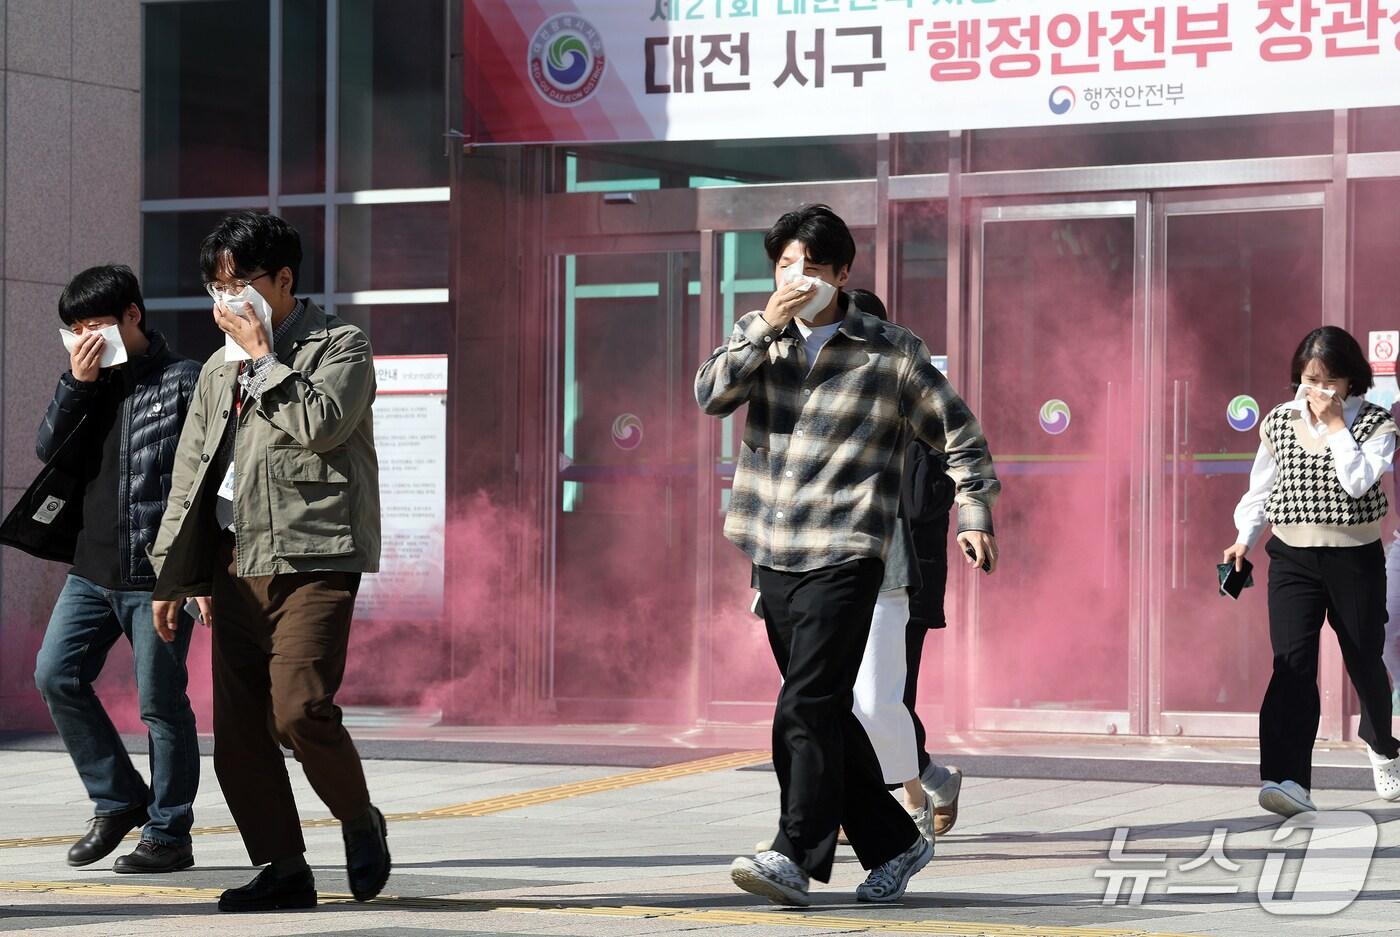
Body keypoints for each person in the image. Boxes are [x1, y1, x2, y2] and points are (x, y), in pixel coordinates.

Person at [697, 204, 1000, 906]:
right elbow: (711, 395)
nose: (794, 278)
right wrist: (766, 323)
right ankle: (895, 842)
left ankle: (792, 856)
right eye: (782, 265)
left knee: (804, 703)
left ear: (840, 273)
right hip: (773, 550)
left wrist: (974, 510)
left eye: (808, 266)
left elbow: (960, 436)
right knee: (822, 710)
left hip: (848, 551)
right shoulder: (760, 335)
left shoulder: (890, 352)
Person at [148, 211, 389, 912]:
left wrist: (262, 360)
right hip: (232, 563)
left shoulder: (339, 344)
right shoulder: (218, 371)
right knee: (240, 737)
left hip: (314, 557)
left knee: (300, 708)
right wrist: (175, 574)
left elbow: (322, 425)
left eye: (239, 284)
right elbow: (191, 474)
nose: (226, 302)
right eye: (214, 288)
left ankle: (357, 816)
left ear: (283, 280)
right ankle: (285, 868)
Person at [1, 265, 201, 872]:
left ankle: (169, 834)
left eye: (95, 325)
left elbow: (212, 477)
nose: (83, 338)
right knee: (55, 675)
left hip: (156, 574)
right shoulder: (87, 383)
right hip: (90, 569)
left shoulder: (184, 381)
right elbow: (47, 450)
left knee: (162, 706)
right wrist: (76, 383)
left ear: (132, 316)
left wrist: (196, 572)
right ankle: (117, 800)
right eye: (73, 329)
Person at [1224, 326, 1400, 817]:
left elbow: (1358, 483)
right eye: (1306, 380)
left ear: (1349, 381)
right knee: (1291, 664)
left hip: (1356, 560)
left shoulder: (1377, 426)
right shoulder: (1279, 421)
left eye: (1325, 382)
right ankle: (1286, 778)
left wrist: (1338, 427)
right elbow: (1260, 490)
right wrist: (1244, 538)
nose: (1315, 392)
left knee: (1364, 660)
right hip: (1293, 559)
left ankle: (1383, 744)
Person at [846, 289, 965, 837]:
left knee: (888, 697)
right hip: (846, 570)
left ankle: (923, 786)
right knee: (845, 699)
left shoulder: (918, 403)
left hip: (906, 574)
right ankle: (911, 790)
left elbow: (923, 501)